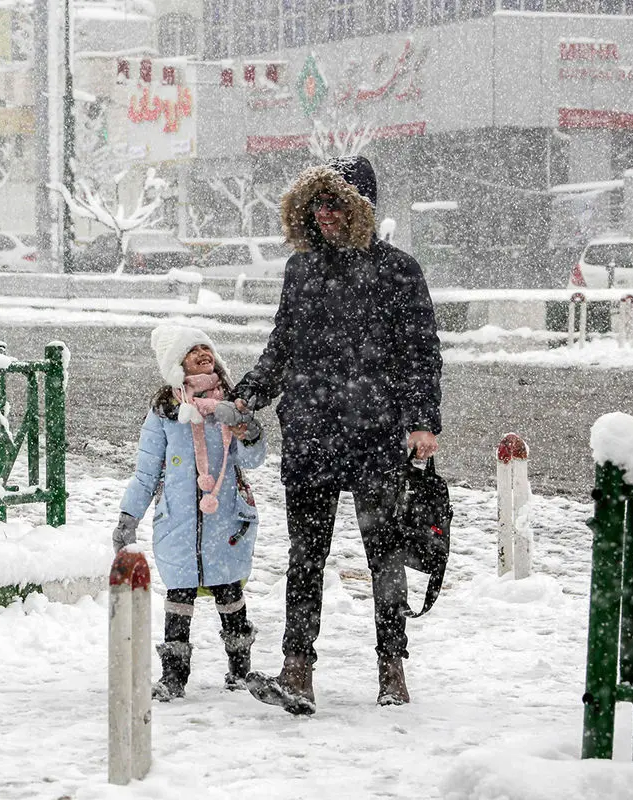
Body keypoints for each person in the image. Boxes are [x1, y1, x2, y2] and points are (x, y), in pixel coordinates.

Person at [233, 156, 443, 715]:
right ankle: (296, 668)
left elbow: (421, 353)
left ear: (360, 210)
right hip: (311, 433)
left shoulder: (399, 270)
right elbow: (282, 347)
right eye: (316, 206)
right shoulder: (300, 271)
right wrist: (249, 395)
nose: (325, 215)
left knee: (384, 555)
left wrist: (423, 421)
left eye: (336, 205)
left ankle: (391, 667)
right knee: (305, 555)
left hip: (376, 433)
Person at [114, 324, 266, 701]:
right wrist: (129, 516)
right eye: (192, 350)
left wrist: (248, 431)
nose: (202, 353)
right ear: (176, 364)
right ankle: (174, 676)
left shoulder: (231, 403)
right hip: (179, 521)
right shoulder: (165, 412)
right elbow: (147, 471)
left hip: (225, 516)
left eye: (205, 347)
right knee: (179, 597)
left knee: (229, 592)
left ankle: (239, 669)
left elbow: (252, 458)